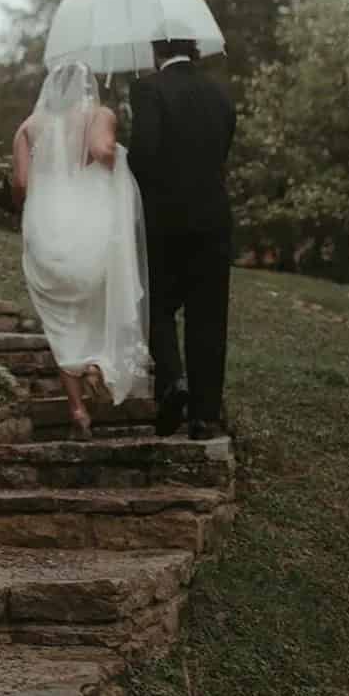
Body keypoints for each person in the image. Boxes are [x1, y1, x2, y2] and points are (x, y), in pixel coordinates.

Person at [11, 58, 150, 438]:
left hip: (46, 233)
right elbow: (102, 149)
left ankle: (77, 412)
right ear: (88, 86)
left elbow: (21, 183)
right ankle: (97, 365)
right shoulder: (98, 114)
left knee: (60, 321)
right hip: (90, 232)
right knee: (98, 305)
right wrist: (116, 153)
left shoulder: (28, 128)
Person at [127, 38, 236, 440]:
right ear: (194, 51)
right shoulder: (220, 93)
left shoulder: (149, 89)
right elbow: (221, 150)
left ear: (157, 53)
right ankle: (204, 417)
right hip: (213, 218)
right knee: (209, 317)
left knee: (155, 305)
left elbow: (143, 154)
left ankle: (173, 380)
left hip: (164, 221)